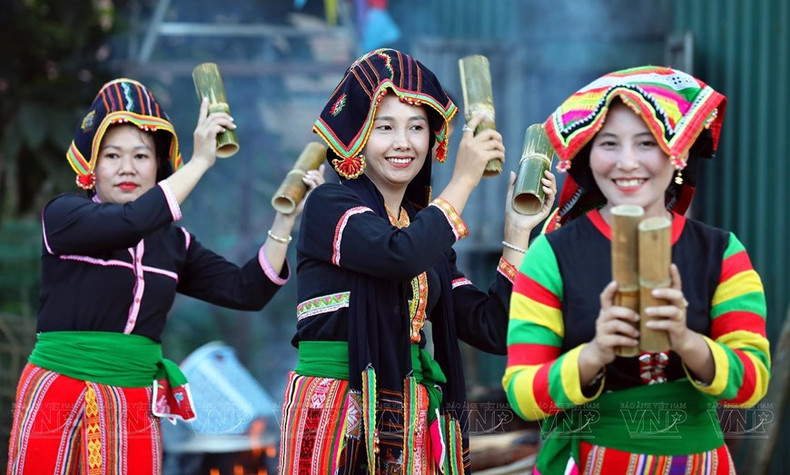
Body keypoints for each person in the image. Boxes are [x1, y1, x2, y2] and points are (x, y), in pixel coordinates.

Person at [6, 78, 323, 474]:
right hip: (63, 393)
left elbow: (247, 291)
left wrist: (285, 219)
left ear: (158, 166)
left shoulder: (174, 243)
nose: (127, 168)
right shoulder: (64, 218)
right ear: (92, 164)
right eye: (112, 156)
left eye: (141, 156)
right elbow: (130, 221)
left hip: (136, 403)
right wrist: (201, 161)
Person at [277, 48, 556, 474]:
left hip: (409, 416)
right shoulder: (327, 205)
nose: (403, 143)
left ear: (432, 138)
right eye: (384, 127)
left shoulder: (428, 238)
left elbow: (493, 328)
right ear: (358, 134)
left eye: (417, 127)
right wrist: (464, 179)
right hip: (335, 412)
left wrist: (518, 230)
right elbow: (398, 255)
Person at [503, 66, 769, 474]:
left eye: (647, 143)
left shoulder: (721, 253)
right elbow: (523, 394)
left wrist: (685, 339)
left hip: (697, 464)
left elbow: (752, 384)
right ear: (588, 155)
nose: (627, 163)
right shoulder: (550, 255)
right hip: (590, 459)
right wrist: (595, 353)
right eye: (609, 143)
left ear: (676, 152)